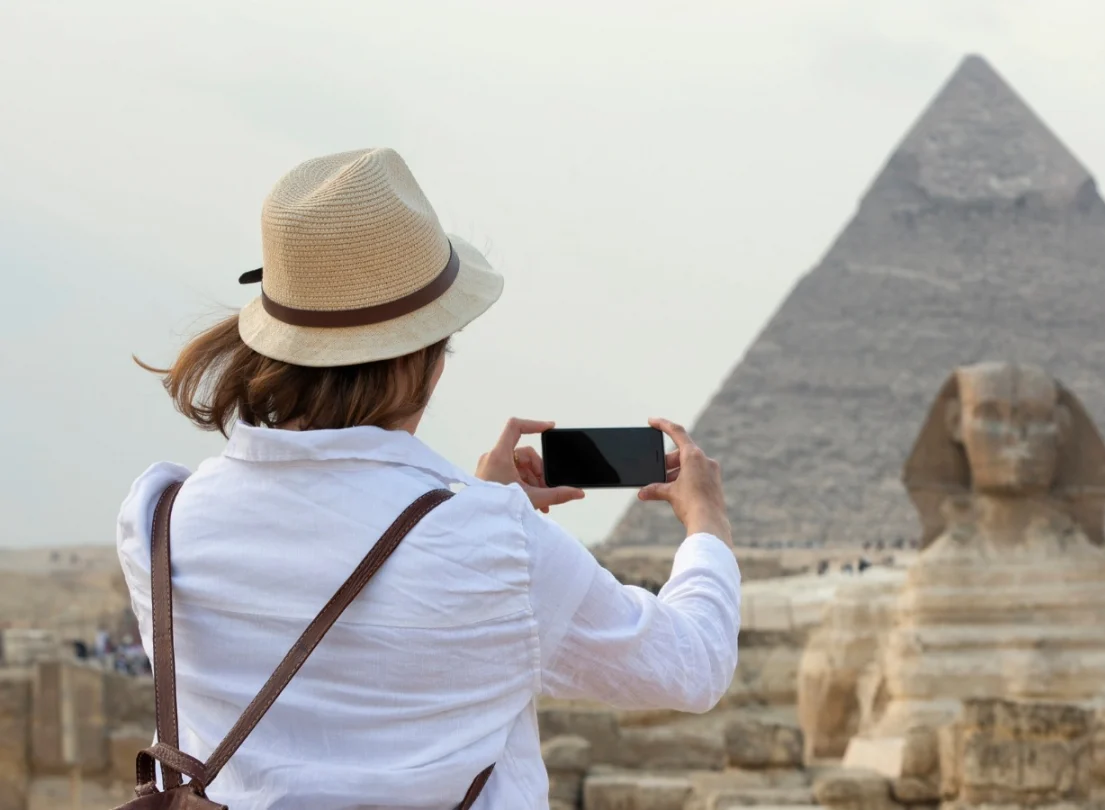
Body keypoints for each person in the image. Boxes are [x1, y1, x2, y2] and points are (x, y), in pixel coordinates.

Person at [117, 148, 739, 809]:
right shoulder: (498, 547)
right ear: (421, 361)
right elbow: (694, 665)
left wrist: (472, 506)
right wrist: (706, 522)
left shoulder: (159, 522)